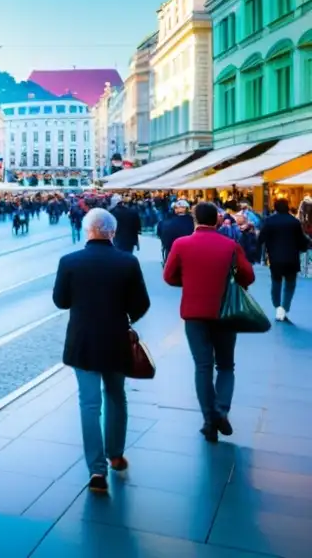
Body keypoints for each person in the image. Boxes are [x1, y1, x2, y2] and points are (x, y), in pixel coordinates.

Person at [52, 208, 151, 494]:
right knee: (116, 396)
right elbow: (141, 304)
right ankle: (116, 455)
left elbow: (61, 301)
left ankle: (96, 470)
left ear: (87, 230)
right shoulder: (127, 262)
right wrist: (125, 317)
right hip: (116, 338)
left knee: (89, 403)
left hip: (82, 341)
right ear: (113, 231)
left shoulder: (70, 262)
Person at [164, 202, 255, 442]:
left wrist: (190, 283)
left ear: (194, 219)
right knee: (225, 366)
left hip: (194, 314)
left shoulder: (181, 244)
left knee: (202, 366)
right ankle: (221, 410)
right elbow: (248, 275)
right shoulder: (230, 246)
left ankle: (209, 420)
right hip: (225, 312)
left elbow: (169, 276)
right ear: (216, 220)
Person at [258, 198, 309, 322]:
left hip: (275, 259)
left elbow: (261, 239)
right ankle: (285, 308)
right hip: (292, 258)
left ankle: (277, 306)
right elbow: (301, 241)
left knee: (276, 283)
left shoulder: (269, 221)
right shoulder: (294, 222)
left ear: (275, 208)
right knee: (290, 285)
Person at [157, 199, 195, 264]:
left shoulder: (166, 222)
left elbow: (162, 238)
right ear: (187, 209)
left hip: (172, 256)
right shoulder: (194, 222)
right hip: (190, 256)